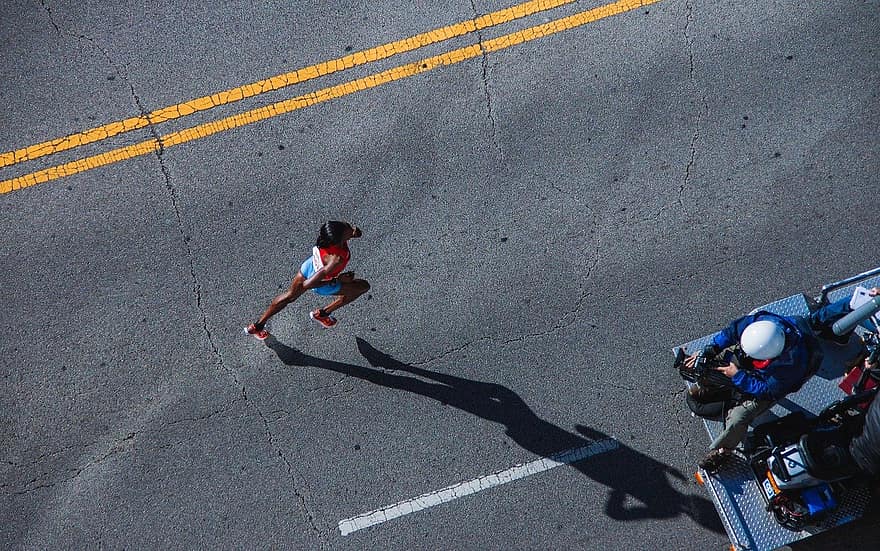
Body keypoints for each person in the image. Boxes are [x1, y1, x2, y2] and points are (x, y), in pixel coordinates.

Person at [685, 312, 815, 473]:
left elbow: (766, 390)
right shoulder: (759, 326)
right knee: (708, 363)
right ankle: (712, 386)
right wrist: (710, 350)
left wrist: (739, 376)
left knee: (739, 418)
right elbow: (732, 332)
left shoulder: (792, 364)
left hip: (765, 384)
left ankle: (723, 450)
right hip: (752, 363)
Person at [244, 221, 369, 340]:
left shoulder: (328, 238)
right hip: (320, 282)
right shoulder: (335, 260)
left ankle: (257, 326)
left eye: (347, 225)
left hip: (309, 266)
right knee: (362, 287)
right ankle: (322, 314)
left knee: (288, 296)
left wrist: (353, 233)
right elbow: (308, 284)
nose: (352, 228)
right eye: (348, 229)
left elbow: (351, 233)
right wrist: (337, 279)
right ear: (339, 240)